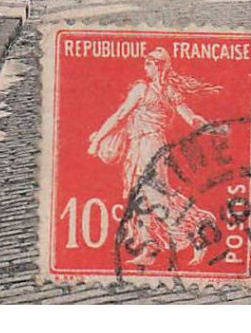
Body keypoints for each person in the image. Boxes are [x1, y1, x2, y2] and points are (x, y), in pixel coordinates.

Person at [86, 47, 222, 267]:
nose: (145, 67)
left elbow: (120, 115)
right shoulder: (167, 91)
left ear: (158, 66)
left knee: (155, 198)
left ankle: (195, 233)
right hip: (145, 146)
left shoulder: (144, 89)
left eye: (148, 63)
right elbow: (189, 116)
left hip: (148, 146)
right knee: (138, 197)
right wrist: (203, 124)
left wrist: (96, 140)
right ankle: (149, 247)